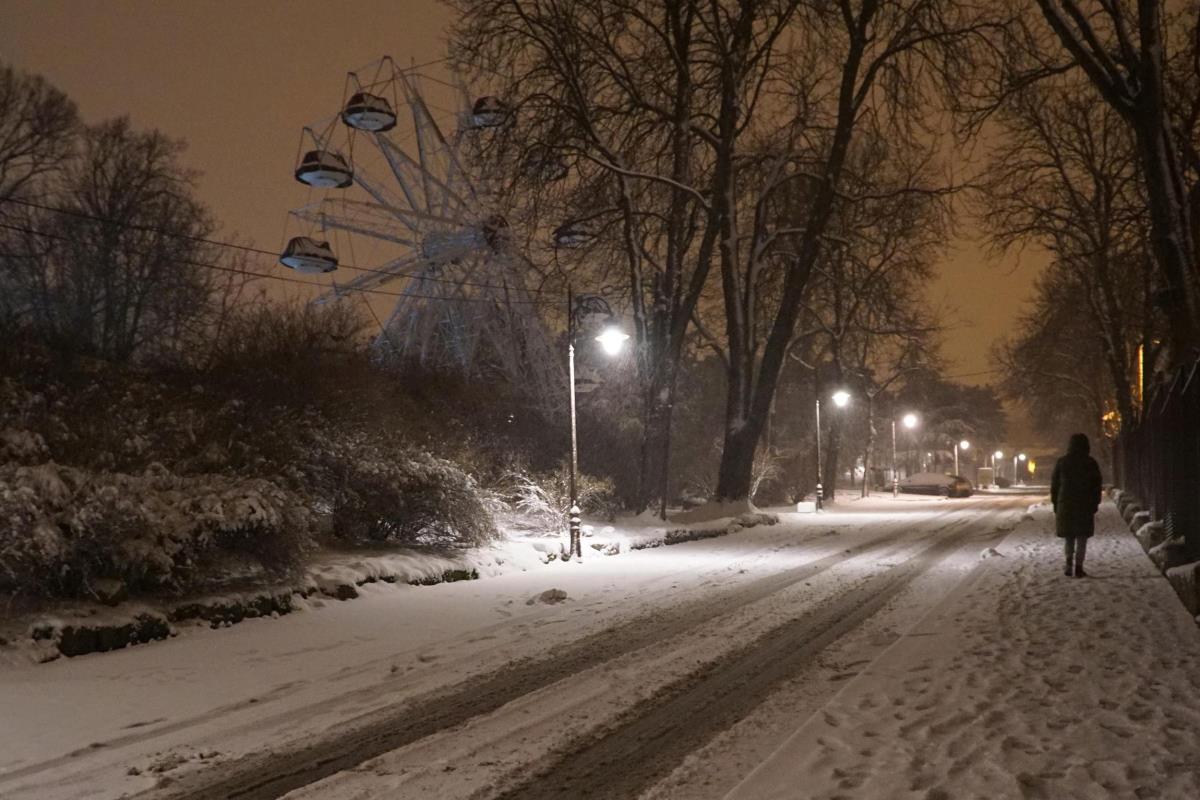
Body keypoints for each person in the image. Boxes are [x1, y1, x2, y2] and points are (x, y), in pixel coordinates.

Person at [1050, 433, 1103, 577]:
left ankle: (1068, 564)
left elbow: (1055, 485)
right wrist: (1095, 503)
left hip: (1065, 504)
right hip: (1084, 505)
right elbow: (1096, 485)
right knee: (1082, 537)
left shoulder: (1062, 462)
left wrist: (1056, 503)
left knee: (1069, 536)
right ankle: (1079, 567)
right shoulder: (1090, 463)